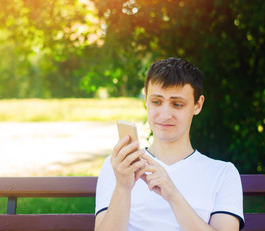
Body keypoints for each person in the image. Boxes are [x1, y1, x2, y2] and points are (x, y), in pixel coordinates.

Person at [95, 57, 244, 231]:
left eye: (177, 104)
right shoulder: (118, 167)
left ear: (198, 105)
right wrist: (122, 188)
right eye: (156, 102)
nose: (165, 115)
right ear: (146, 101)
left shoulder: (223, 174)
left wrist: (173, 196)